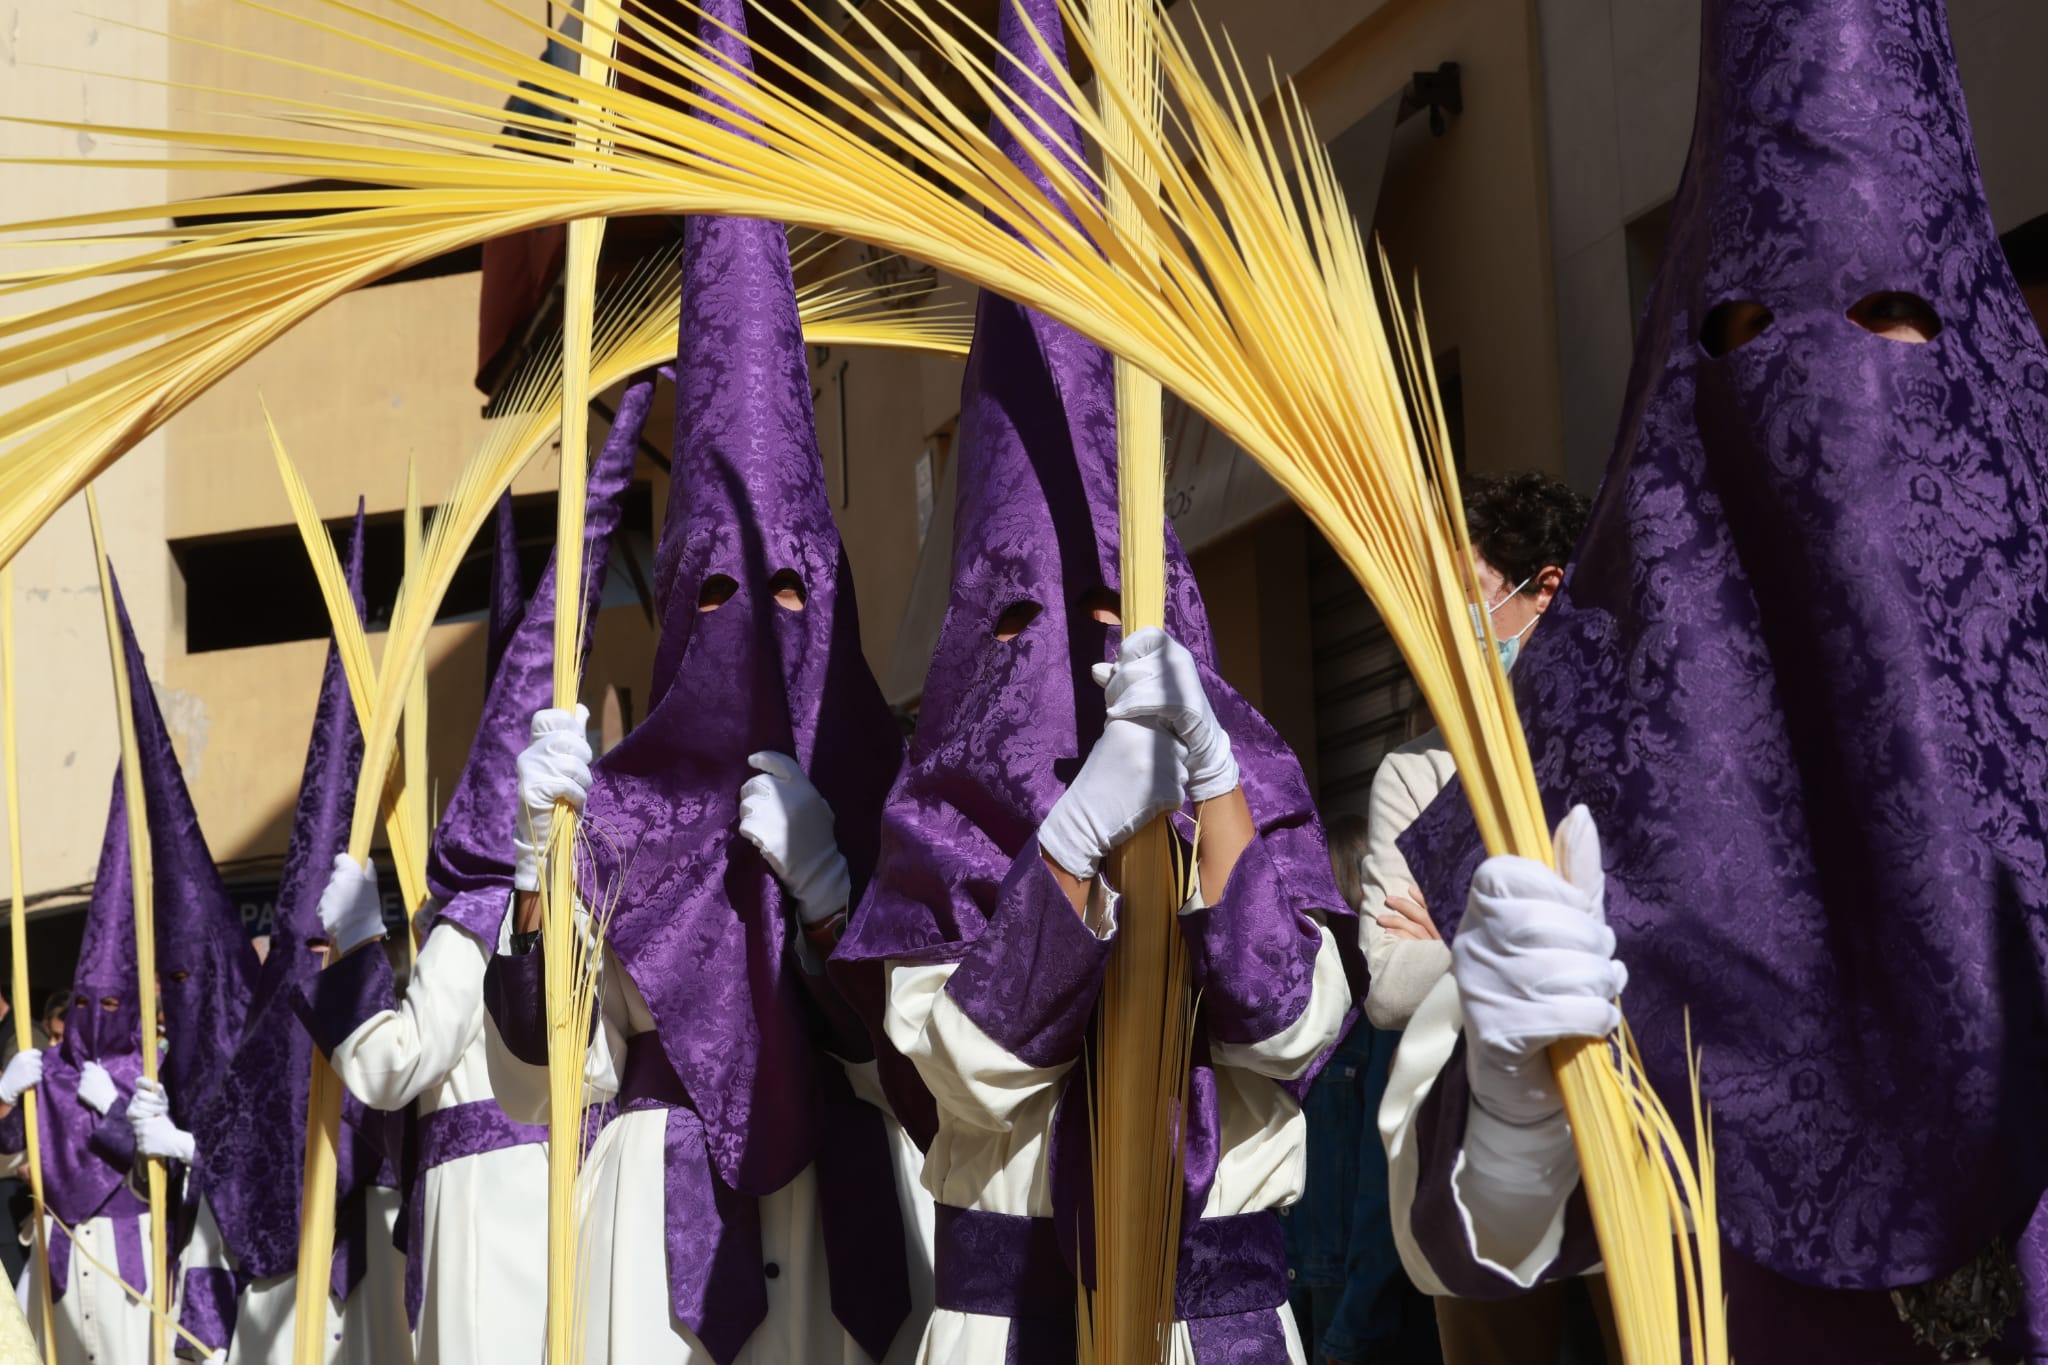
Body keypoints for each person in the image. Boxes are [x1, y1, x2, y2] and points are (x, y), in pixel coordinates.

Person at [1381, 0, 2048, 1359]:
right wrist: (1512, 1111)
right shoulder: (1588, 752)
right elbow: (1474, 1241)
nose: (1817, 379)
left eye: (1889, 315)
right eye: (1748, 327)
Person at [829, 3, 1360, 1360]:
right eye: (1034, 619)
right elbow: (962, 1070)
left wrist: (1215, 790)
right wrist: (1069, 843)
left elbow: (1291, 1026)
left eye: (1113, 608)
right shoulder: (937, 831)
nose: (1081, 644)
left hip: (1221, 1324)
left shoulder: (1251, 779)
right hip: (1009, 1323)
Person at [480, 5, 928, 1358]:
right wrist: (531, 878)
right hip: (656, 1244)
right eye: (719, 599)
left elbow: (952, 1066)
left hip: (854, 1236)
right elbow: (535, 1072)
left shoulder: (897, 794)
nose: (754, 634)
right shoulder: (613, 813)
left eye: (787, 597)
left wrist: (842, 900)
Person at [294, 385, 649, 1365]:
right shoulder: (597, 908)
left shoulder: (470, 921)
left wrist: (354, 952)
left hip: (491, 1225)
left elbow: (391, 1063)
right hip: (586, 1202)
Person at [1359, 471, 1586, 1036]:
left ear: (1545, 591)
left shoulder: (1610, 739)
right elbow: (1387, 988)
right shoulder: (1414, 772)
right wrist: (1538, 928)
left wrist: (1459, 932)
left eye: (1464, 590)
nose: (1441, 619)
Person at [0, 778, 153, 1365]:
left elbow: (157, 1167)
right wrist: (8, 1094)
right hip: (58, 1248)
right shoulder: (52, 1066)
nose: (95, 1019)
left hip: (127, 1252)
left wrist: (114, 1111)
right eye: (87, 1005)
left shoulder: (149, 1067)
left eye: (112, 1005)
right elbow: (15, 1146)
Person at [1286, 812, 1439, 1365]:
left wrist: (1353, 1329)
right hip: (1307, 1300)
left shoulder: (1379, 1026)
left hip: (1358, 1319)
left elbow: (1385, 1182)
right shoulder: (1305, 1026)